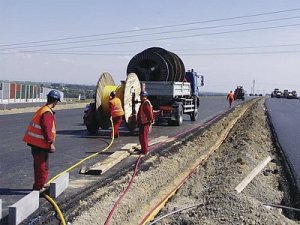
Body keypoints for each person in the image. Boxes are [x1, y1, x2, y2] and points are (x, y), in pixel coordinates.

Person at [23, 90, 60, 191]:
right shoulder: (47, 112)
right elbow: (46, 129)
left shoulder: (43, 109)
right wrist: (51, 143)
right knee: (41, 167)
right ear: (56, 101)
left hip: (37, 144)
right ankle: (39, 187)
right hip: (40, 145)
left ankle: (40, 185)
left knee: (42, 166)